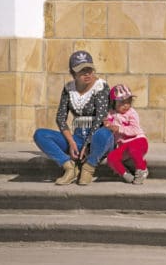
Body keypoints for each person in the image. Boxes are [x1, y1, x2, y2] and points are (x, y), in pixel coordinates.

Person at [33, 50, 114, 185]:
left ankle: (89, 168)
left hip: (98, 140)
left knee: (104, 134)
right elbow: (60, 117)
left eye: (89, 69)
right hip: (77, 139)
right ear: (73, 73)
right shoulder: (68, 89)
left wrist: (87, 145)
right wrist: (72, 143)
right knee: (40, 134)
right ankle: (69, 167)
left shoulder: (101, 86)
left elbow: (100, 118)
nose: (87, 73)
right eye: (82, 71)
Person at [104, 84, 149, 184]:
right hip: (123, 145)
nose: (126, 105)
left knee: (134, 149)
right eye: (122, 102)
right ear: (113, 102)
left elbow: (135, 129)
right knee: (111, 157)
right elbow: (108, 124)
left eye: (128, 102)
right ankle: (125, 174)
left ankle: (142, 170)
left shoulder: (131, 113)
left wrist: (119, 129)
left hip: (138, 141)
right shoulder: (110, 114)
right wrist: (106, 124)